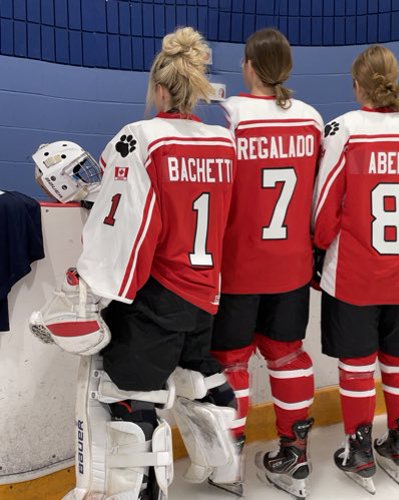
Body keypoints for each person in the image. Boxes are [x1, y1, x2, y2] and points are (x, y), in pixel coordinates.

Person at [69, 26, 240, 499]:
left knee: (130, 399)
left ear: (160, 89)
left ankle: (143, 491)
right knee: (196, 380)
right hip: (205, 293)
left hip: (156, 294)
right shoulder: (224, 143)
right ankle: (226, 469)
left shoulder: (142, 137)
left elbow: (128, 225)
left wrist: (92, 289)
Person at [314, 45, 399, 493]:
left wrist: (318, 246)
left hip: (354, 274)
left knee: (356, 366)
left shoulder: (344, 130)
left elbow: (325, 210)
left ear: (357, 85)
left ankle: (359, 450)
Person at [208, 27, 323, 498]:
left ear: (249, 66)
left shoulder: (229, 116)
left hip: (238, 267)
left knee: (232, 362)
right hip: (291, 266)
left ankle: (229, 462)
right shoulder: (312, 118)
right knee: (288, 357)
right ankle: (295, 455)